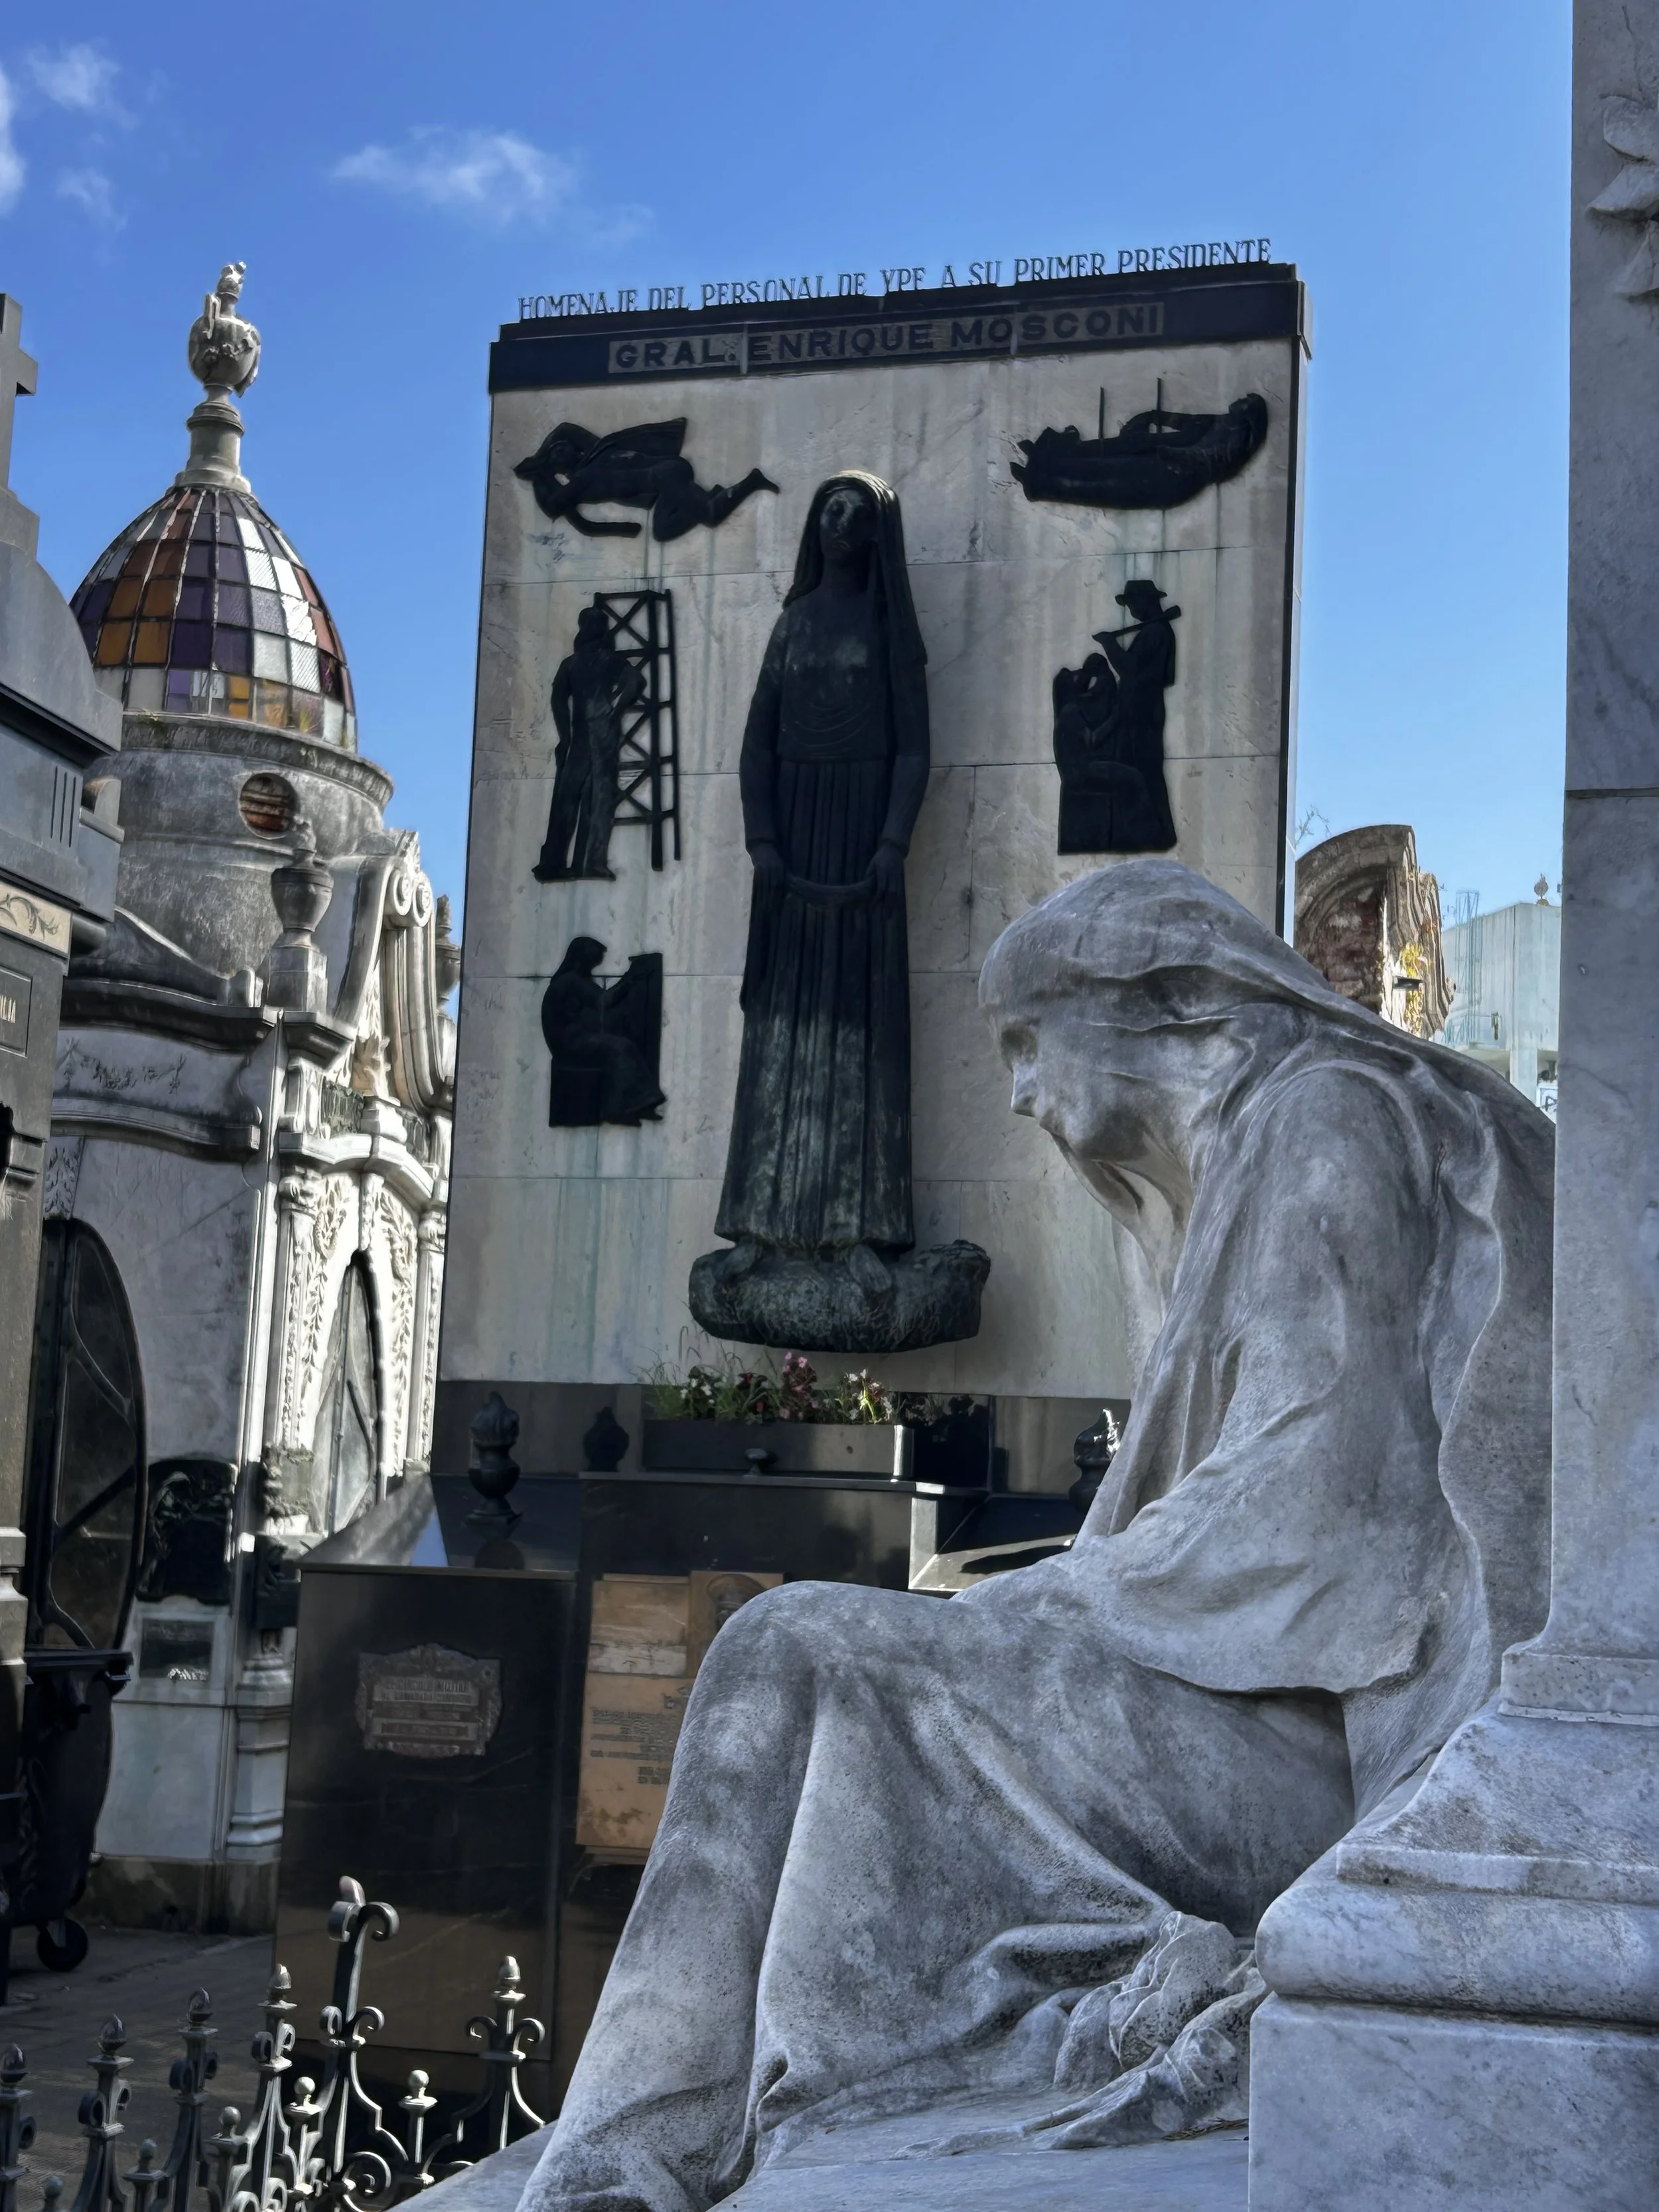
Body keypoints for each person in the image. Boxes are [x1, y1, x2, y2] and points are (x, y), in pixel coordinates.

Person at [526, 860, 1553, 2212]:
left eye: (1026, 1040)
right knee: (806, 1658)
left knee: (787, 1649)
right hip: (1231, 1709)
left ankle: (618, 2165)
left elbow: (1325, 1520)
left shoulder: (1323, 1118)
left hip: (1294, 1755)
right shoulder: (1249, 1156)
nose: (1017, 1092)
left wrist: (1052, 1606)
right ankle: (645, 2148)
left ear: (1156, 1008)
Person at [711, 471, 930, 1304]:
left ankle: (859, 1231)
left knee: (858, 1038)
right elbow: (755, 747)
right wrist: (761, 839)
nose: (840, 522)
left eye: (856, 512)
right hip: (794, 842)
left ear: (877, 535)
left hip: (863, 852)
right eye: (829, 509)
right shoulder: (792, 623)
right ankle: (760, 1229)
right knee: (779, 1036)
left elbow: (915, 749)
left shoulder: (890, 630)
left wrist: (892, 842)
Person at [534, 607, 647, 881]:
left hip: (581, 735)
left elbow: (558, 700)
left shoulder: (572, 663)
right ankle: (591, 862)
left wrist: (565, 736)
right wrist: (617, 710)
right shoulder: (610, 660)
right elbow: (636, 682)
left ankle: (555, 862)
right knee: (599, 798)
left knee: (568, 799)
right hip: (602, 732)